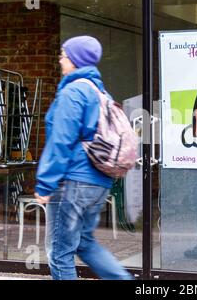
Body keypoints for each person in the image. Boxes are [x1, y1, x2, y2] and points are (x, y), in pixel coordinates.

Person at [34, 35, 132, 280]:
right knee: (84, 244)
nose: (60, 59)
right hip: (98, 181)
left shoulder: (74, 90)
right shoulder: (100, 91)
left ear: (75, 60)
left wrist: (45, 183)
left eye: (64, 55)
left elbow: (61, 140)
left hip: (74, 182)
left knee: (59, 252)